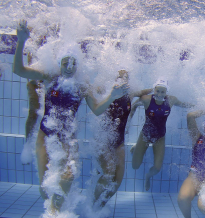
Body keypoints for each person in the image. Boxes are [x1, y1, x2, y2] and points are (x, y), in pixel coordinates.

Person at [13, 20, 129, 213]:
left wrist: (112, 96)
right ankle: (56, 210)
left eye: (73, 62)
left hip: (67, 137)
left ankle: (54, 213)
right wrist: (21, 42)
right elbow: (18, 70)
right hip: (45, 135)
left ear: (78, 64)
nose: (69, 66)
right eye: (65, 62)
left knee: (69, 175)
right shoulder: (50, 76)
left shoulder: (82, 86)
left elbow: (98, 109)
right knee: (44, 189)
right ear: (60, 63)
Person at [91, 70, 152, 208]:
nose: (123, 80)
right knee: (108, 174)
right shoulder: (107, 92)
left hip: (119, 141)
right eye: (120, 77)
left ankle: (101, 204)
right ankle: (91, 204)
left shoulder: (129, 94)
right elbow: (93, 91)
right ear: (115, 79)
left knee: (118, 178)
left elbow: (142, 92)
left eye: (126, 78)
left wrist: (157, 89)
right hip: (104, 139)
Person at [130, 78, 194, 191]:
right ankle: (137, 147)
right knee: (135, 166)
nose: (159, 94)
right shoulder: (146, 99)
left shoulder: (171, 100)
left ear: (166, 92)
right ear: (154, 90)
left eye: (162, 92)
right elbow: (134, 106)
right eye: (157, 91)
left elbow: (183, 104)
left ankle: (148, 177)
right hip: (145, 135)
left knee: (157, 168)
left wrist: (197, 105)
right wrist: (129, 121)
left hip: (160, 137)